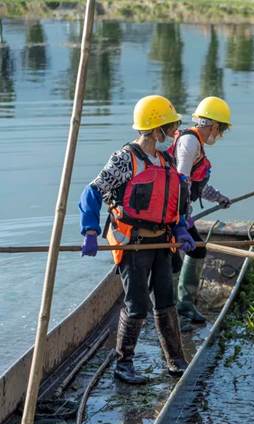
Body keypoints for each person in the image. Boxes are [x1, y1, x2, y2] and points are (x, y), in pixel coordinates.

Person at [79, 95, 196, 384]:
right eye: (168, 127)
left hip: (162, 242)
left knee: (166, 300)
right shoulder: (125, 159)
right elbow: (92, 192)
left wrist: (181, 229)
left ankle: (176, 360)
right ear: (154, 129)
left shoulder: (166, 159)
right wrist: (90, 230)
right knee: (137, 303)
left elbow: (177, 201)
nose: (172, 132)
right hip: (133, 243)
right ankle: (123, 364)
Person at [166, 96, 232, 326]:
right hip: (171, 214)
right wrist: (181, 220)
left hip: (181, 211)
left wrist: (218, 197)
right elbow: (181, 181)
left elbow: (196, 184)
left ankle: (184, 303)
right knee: (175, 259)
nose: (220, 135)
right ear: (213, 125)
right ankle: (171, 309)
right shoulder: (190, 142)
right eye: (220, 129)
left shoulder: (196, 144)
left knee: (197, 251)